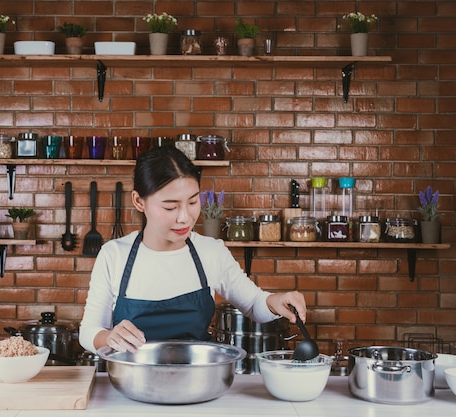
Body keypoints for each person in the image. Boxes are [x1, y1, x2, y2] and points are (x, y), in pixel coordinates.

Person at [79, 146, 307, 354]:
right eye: (170, 206)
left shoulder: (211, 252)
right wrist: (108, 336)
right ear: (139, 202)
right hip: (132, 383)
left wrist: (276, 301)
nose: (184, 217)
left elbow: (254, 304)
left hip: (197, 381)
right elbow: (88, 331)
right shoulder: (114, 255)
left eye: (192, 202)